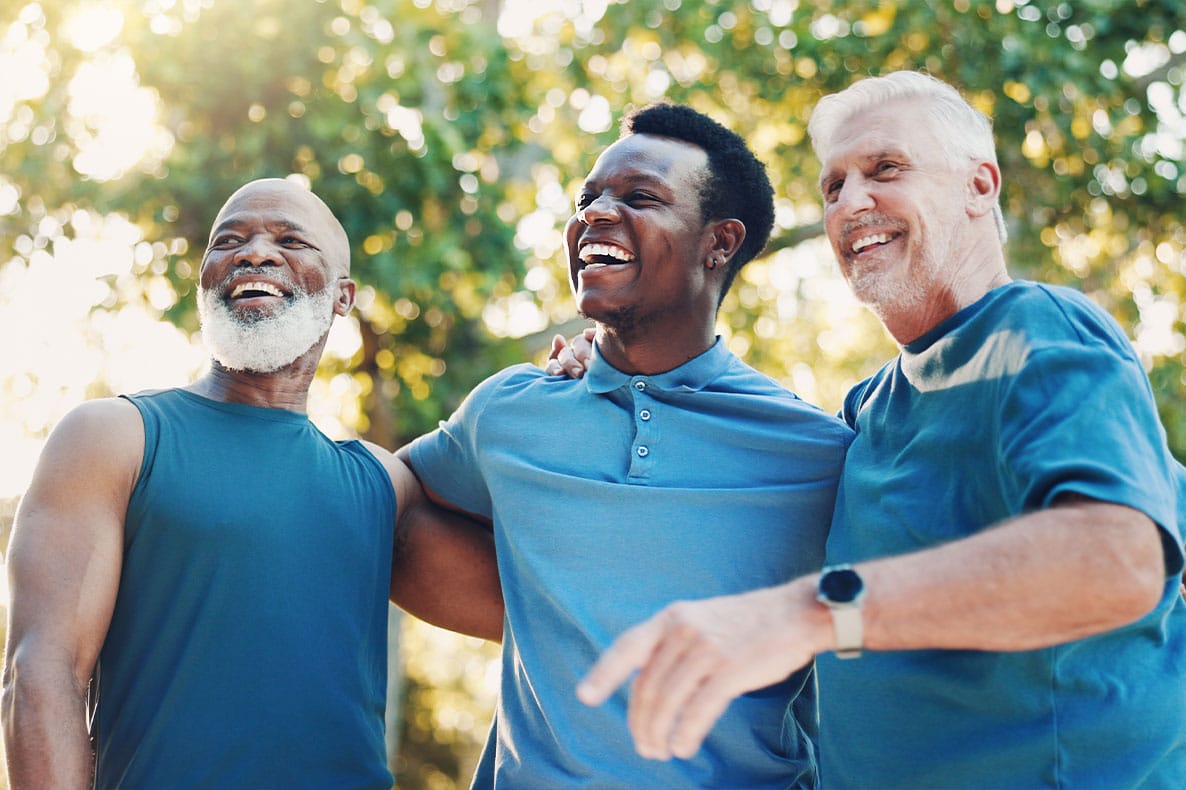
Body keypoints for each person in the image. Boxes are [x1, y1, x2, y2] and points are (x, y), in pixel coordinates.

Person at [574, 71, 1186, 787]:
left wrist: (813, 613)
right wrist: (613, 363)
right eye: (832, 187)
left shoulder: (1035, 330)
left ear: (979, 187)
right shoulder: (868, 410)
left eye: (884, 170)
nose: (850, 203)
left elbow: (1118, 561)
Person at [399, 104, 852, 787]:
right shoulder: (507, 413)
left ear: (719, 243)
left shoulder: (816, 453)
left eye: (640, 197)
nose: (596, 215)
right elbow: (385, 514)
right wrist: (548, 622)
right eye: (588, 198)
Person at [2, 178, 503, 789]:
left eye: (291, 240)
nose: (254, 253)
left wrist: (582, 385)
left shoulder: (379, 483)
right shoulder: (113, 438)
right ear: (206, 280)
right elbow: (42, 675)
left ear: (343, 297)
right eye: (229, 241)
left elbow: (543, 610)